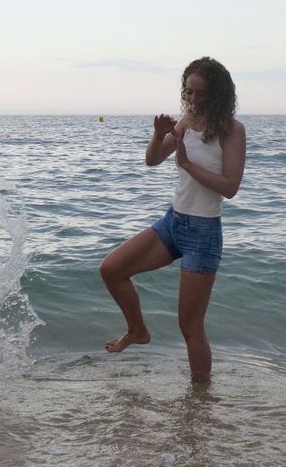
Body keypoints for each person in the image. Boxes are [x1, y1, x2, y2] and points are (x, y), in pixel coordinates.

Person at [99, 57, 246, 383]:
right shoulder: (185, 122)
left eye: (200, 94)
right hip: (173, 223)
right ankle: (137, 330)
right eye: (188, 92)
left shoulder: (232, 131)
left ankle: (200, 398)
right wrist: (157, 135)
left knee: (189, 325)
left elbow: (231, 187)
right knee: (111, 269)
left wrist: (187, 163)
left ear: (218, 94)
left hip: (203, 232)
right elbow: (152, 160)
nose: (192, 100)